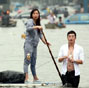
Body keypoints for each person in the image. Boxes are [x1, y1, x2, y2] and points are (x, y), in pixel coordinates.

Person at [23, 9, 50, 84]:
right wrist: (37, 27)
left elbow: (40, 35)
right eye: (34, 13)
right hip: (28, 45)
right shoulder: (30, 21)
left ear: (39, 15)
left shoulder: (38, 23)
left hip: (35, 46)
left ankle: (35, 78)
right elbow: (28, 29)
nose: (35, 15)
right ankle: (26, 78)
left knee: (33, 62)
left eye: (37, 13)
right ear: (32, 15)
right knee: (27, 61)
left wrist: (45, 42)